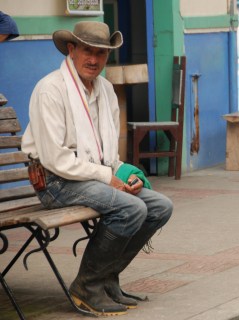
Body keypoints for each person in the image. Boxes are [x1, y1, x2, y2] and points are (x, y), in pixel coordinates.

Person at [21, 21, 173, 316]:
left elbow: (108, 154)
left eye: (101, 54)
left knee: (159, 206)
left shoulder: (105, 89)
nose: (93, 60)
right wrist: (108, 177)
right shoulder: (50, 90)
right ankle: (87, 286)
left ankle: (106, 280)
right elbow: (55, 160)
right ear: (71, 49)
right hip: (55, 182)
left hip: (92, 177)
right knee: (131, 209)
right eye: (87, 51)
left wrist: (124, 176)